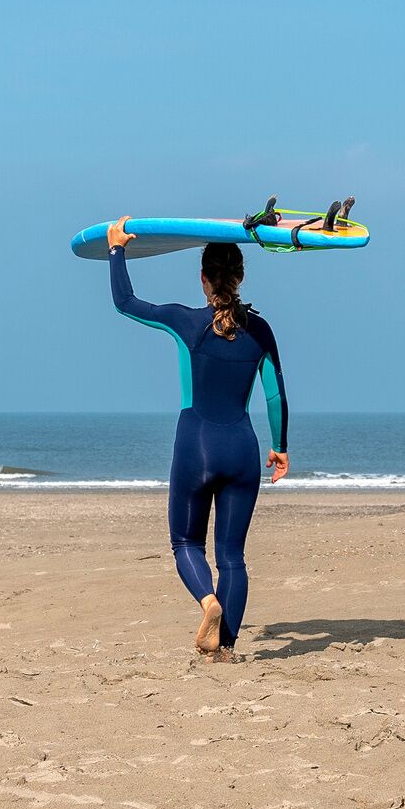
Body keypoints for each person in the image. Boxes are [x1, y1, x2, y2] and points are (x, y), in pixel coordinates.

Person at [101, 218, 290, 662]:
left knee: (186, 543)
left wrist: (116, 251)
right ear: (240, 277)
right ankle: (224, 649)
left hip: (196, 446)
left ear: (202, 278)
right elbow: (276, 395)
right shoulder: (261, 331)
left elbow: (125, 302)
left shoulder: (186, 323)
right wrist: (280, 446)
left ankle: (207, 602)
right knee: (232, 557)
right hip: (242, 449)